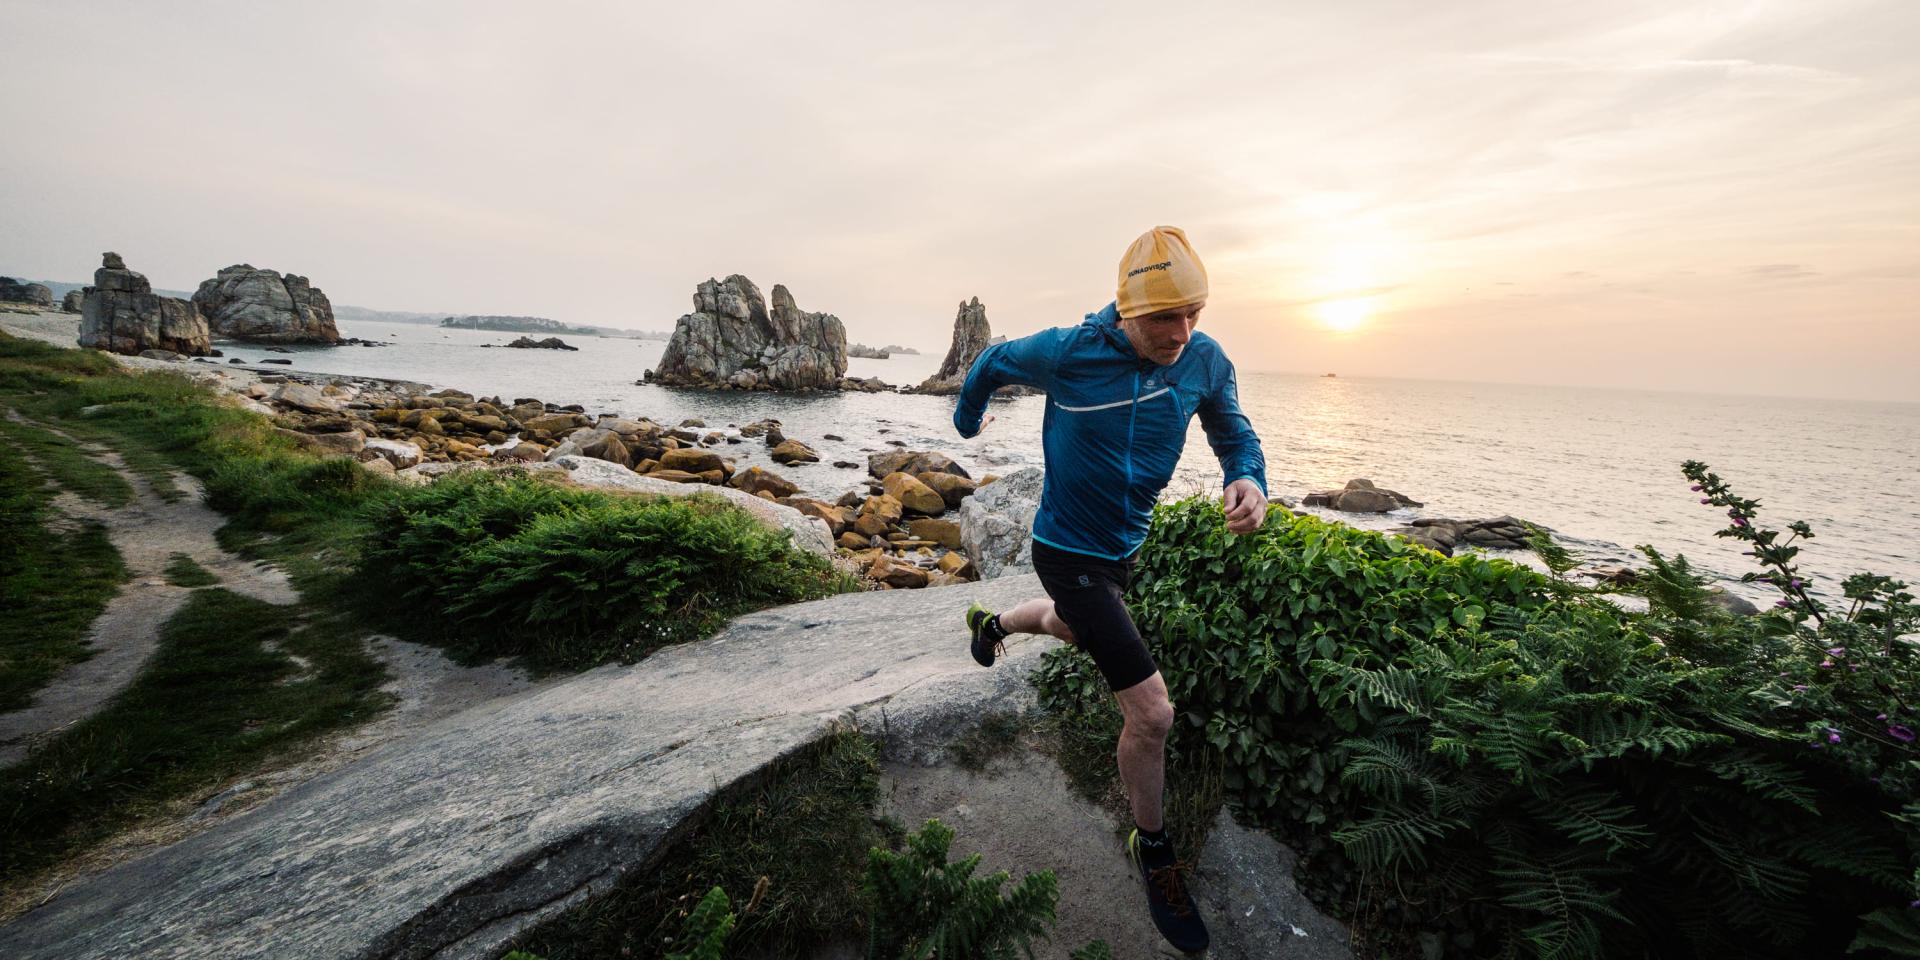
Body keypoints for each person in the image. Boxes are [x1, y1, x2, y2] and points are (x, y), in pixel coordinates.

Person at [953, 226, 1267, 952]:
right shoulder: (1070, 351)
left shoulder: (1205, 360)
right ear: (1126, 310)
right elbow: (993, 360)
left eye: (1195, 312)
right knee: (1152, 713)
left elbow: (1233, 434)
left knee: (1070, 627)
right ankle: (1154, 848)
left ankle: (994, 625)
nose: (1182, 332)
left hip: (1123, 550)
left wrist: (1246, 478)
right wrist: (968, 420)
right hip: (1065, 548)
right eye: (1165, 317)